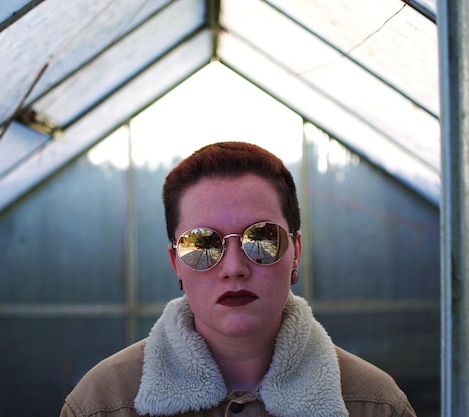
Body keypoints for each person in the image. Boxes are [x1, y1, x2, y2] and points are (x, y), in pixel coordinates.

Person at [60, 141, 417, 417]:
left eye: (262, 238)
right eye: (202, 244)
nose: (234, 267)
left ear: (296, 250)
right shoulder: (104, 403)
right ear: (175, 264)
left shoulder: (374, 404)